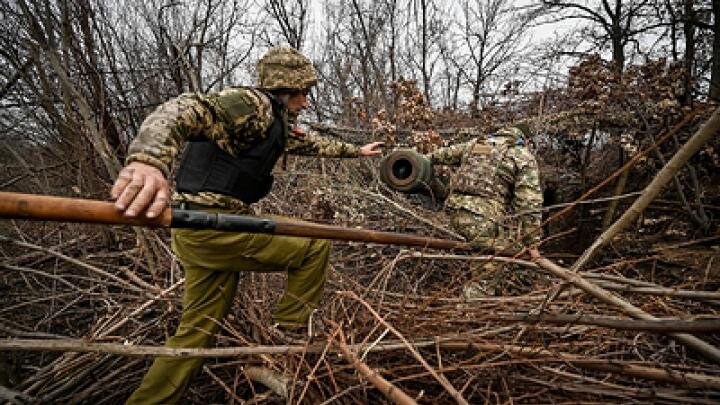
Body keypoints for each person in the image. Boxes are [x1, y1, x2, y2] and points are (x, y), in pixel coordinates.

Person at [111, 46, 384, 404]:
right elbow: (183, 107)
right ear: (288, 90)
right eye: (303, 94)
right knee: (315, 243)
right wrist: (147, 160)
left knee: (194, 337)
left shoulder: (273, 122)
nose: (306, 103)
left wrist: (357, 152)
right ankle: (285, 343)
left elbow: (312, 144)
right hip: (211, 224)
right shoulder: (250, 105)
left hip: (204, 231)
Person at [425, 125, 543, 296]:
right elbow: (529, 203)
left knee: (505, 249)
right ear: (526, 140)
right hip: (482, 220)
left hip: (452, 214)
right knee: (489, 272)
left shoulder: (474, 145)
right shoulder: (522, 156)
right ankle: (467, 313)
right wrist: (532, 244)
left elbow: (434, 156)